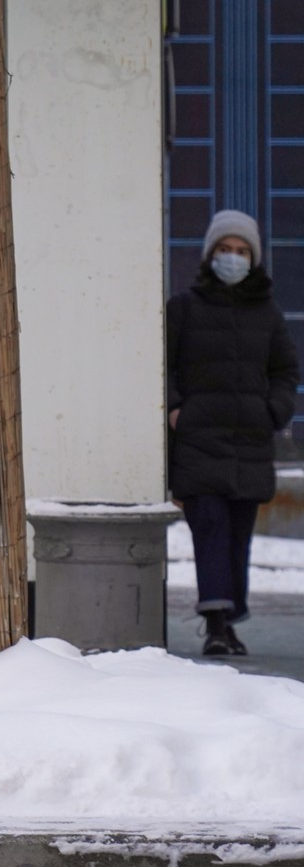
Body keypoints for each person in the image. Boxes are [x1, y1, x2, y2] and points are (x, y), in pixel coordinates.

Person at [167, 209, 298, 657]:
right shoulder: (184, 309)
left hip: (249, 443)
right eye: (225, 249)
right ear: (210, 254)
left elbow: (285, 371)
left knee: (238, 539)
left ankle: (228, 621)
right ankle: (216, 625)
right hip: (199, 442)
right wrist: (176, 411)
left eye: (242, 251)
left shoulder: (268, 314)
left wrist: (274, 410)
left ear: (254, 258)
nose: (233, 257)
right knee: (211, 531)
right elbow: (163, 365)